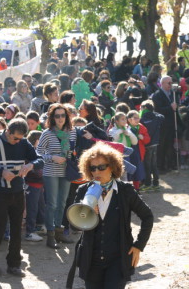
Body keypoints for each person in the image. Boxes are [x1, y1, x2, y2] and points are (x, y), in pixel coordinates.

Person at [71, 142, 153, 289]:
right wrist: (85, 214)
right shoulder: (83, 190)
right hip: (91, 259)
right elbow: (73, 224)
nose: (97, 172)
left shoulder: (125, 190)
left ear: (112, 167)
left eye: (101, 167)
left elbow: (147, 216)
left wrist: (139, 245)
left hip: (118, 259)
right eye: (93, 168)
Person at [0, 118, 43, 276]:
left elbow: (39, 159)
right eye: (15, 138)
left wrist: (30, 165)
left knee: (16, 229)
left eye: (21, 139)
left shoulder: (23, 143)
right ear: (7, 131)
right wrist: (1, 172)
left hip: (18, 191)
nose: (17, 142)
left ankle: (14, 264)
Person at [37, 104, 78, 249]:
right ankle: (50, 235)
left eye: (63, 115)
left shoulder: (72, 132)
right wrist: (53, 157)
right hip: (51, 171)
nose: (60, 118)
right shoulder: (47, 133)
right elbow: (38, 153)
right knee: (52, 204)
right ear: (52, 118)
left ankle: (59, 231)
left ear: (67, 117)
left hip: (66, 171)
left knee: (62, 203)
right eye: (57, 116)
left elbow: (74, 150)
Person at [152, 76, 178, 173]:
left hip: (171, 124)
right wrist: (170, 107)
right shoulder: (157, 95)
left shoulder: (172, 94)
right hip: (162, 125)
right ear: (162, 83)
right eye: (168, 83)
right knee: (162, 146)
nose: (170, 85)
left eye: (171, 83)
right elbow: (158, 110)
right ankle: (160, 166)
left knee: (170, 145)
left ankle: (170, 164)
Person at [140, 100, 164, 189]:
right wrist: (153, 112)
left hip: (147, 144)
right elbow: (162, 116)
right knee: (154, 163)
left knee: (147, 164)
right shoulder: (157, 117)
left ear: (144, 108)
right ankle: (156, 182)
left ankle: (147, 183)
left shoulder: (142, 119)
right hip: (155, 143)